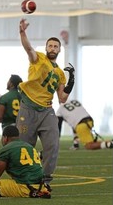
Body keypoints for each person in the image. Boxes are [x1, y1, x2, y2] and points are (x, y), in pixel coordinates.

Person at [16, 18, 75, 186]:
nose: (53, 48)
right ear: (46, 48)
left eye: (56, 46)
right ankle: (24, 180)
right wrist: (22, 32)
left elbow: (62, 98)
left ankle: (45, 179)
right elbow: (28, 48)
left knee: (53, 146)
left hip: (47, 111)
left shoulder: (60, 73)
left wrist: (71, 80)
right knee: (25, 147)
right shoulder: (39, 58)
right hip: (28, 107)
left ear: (59, 50)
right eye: (50, 45)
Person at [0, 126, 51, 199]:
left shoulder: (6, 149)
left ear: (5, 138)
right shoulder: (29, 146)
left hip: (25, 187)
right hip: (41, 185)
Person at [0, 74, 23, 148]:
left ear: (11, 83)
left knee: (8, 154)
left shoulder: (4, 97)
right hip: (22, 128)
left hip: (9, 130)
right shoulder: (24, 97)